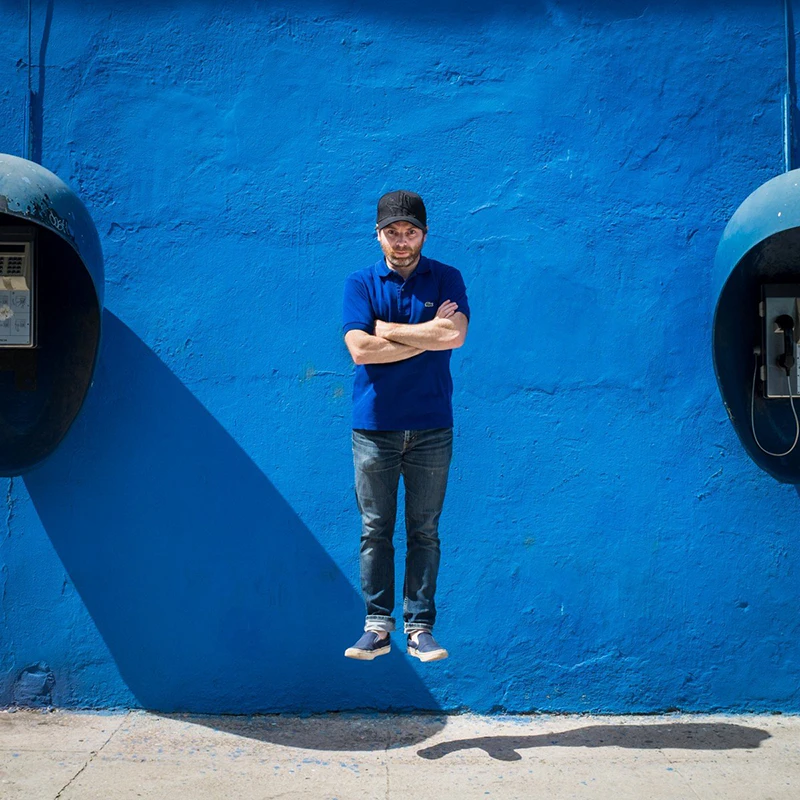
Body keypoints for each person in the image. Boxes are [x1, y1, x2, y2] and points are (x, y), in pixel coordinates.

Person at [341, 190, 470, 663]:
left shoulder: (447, 277)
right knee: (375, 529)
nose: (401, 241)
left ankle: (420, 628)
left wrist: (386, 329)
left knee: (425, 530)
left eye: (409, 232)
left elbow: (455, 335)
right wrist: (426, 337)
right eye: (391, 232)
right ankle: (377, 625)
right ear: (378, 235)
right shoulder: (359, 283)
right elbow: (359, 349)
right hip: (374, 427)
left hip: (432, 426)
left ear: (424, 234)